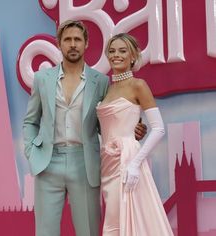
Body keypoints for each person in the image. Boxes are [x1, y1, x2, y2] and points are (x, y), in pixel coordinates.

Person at [23, 20, 146, 236]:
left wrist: (132, 129)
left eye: (77, 40)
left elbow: (106, 124)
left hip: (85, 164)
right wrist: (31, 152)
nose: (73, 44)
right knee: (45, 232)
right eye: (67, 39)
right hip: (47, 163)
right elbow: (30, 121)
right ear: (59, 44)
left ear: (86, 43)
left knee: (88, 231)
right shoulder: (42, 79)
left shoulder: (100, 82)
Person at [96, 33, 174, 236]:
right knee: (114, 219)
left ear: (133, 56)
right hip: (107, 162)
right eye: (112, 51)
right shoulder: (107, 89)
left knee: (119, 221)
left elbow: (158, 128)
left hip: (126, 160)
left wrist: (135, 164)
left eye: (122, 51)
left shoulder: (138, 85)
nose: (116, 55)